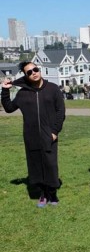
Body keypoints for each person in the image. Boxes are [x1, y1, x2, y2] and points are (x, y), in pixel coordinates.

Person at [1, 61, 65, 207]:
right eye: (29, 72)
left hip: (49, 135)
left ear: (39, 70)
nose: (33, 73)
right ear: (26, 76)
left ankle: (52, 194)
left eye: (35, 69)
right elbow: (9, 108)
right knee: (36, 166)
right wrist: (5, 91)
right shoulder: (23, 93)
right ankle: (42, 194)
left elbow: (60, 112)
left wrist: (55, 131)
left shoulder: (53, 89)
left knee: (50, 165)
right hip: (31, 136)